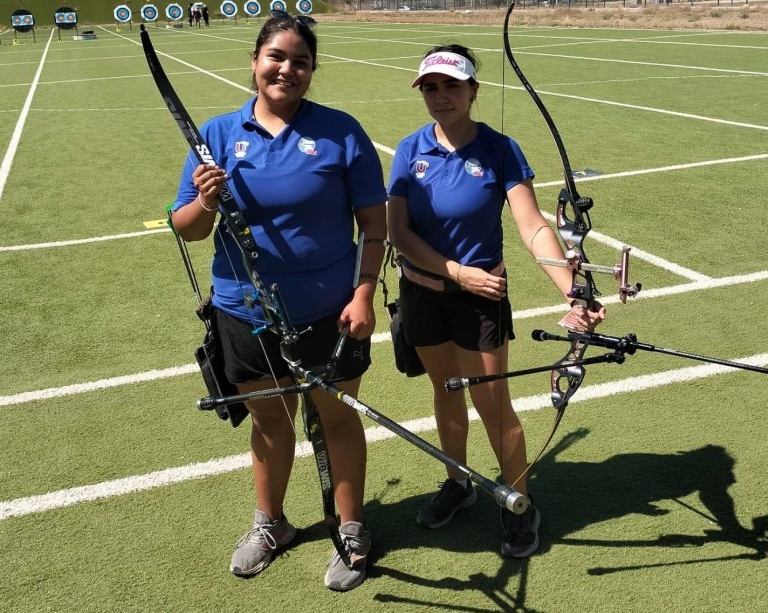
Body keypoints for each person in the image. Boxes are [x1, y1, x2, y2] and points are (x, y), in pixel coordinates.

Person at [171, 12, 386, 591]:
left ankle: (351, 527)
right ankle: (271, 524)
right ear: (255, 61)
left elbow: (374, 222)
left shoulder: (341, 131)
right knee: (270, 421)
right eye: (276, 57)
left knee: (337, 418)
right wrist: (206, 201)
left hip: (330, 309)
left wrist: (364, 292)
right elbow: (187, 228)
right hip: (244, 309)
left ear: (312, 71)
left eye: (300, 61)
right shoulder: (216, 133)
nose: (286, 70)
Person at [387, 44, 605, 559]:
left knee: (493, 405)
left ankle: (519, 506)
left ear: (472, 91)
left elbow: (532, 226)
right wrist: (458, 273)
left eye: (452, 87)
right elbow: (399, 231)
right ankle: (458, 483)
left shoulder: (500, 149)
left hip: (481, 302)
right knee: (445, 393)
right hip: (425, 294)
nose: (441, 97)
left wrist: (572, 288)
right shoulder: (408, 150)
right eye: (432, 88)